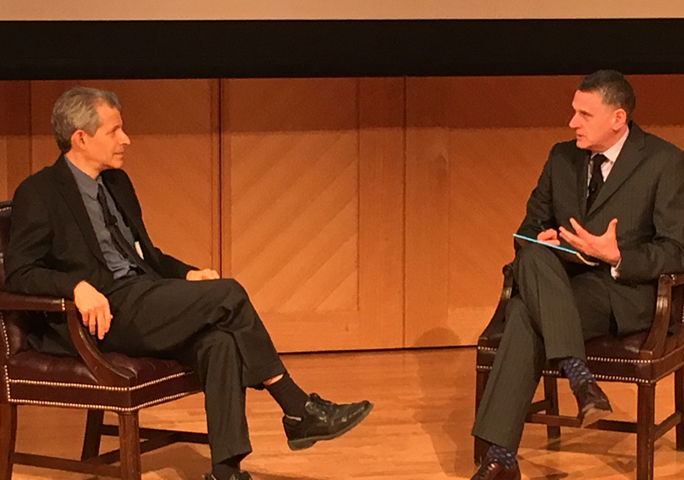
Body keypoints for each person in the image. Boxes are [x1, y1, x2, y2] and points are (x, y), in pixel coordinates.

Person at [4, 86, 373, 480]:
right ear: (81, 137)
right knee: (228, 293)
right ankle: (297, 407)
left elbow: (146, 255)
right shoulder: (39, 192)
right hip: (103, 316)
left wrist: (186, 273)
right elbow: (20, 272)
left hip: (142, 297)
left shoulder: (117, 184)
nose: (125, 139)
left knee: (220, 342)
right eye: (114, 131)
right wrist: (74, 287)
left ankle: (225, 471)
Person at [470, 70, 684, 480]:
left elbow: (676, 251)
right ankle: (580, 380)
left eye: (584, 114)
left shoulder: (664, 162)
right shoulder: (560, 157)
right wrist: (545, 238)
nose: (572, 123)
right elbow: (528, 228)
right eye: (573, 112)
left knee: (522, 315)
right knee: (531, 257)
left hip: (621, 292)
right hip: (563, 285)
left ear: (617, 119)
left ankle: (501, 459)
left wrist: (617, 253)